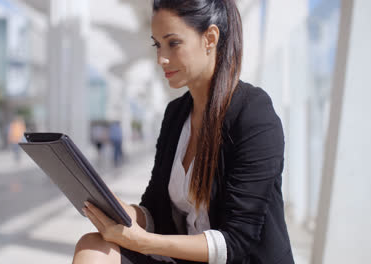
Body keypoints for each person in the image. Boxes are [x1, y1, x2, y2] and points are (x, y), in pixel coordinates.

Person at [73, 0, 294, 263]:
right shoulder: (176, 115)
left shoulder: (254, 113)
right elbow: (155, 207)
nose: (161, 59)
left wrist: (142, 242)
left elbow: (237, 241)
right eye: (157, 44)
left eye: (173, 43)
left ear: (210, 38)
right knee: (92, 247)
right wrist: (122, 211)